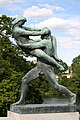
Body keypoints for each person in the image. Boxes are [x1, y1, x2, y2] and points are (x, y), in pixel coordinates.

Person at [16, 30, 76, 105]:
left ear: (45, 35)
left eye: (42, 34)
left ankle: (72, 95)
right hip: (39, 66)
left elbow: (32, 46)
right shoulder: (47, 41)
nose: (40, 35)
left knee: (55, 86)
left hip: (47, 67)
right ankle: (22, 101)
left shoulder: (45, 42)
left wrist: (21, 44)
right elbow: (34, 42)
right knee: (24, 80)